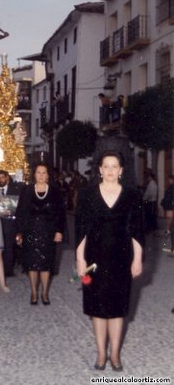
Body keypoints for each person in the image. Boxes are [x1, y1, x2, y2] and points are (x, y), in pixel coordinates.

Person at [75, 150, 144, 372]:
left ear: (121, 171)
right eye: (106, 166)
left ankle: (114, 353)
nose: (110, 170)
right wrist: (79, 258)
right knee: (97, 308)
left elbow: (137, 231)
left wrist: (138, 259)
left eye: (115, 166)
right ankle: (101, 352)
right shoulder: (87, 194)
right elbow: (80, 230)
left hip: (122, 259)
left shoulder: (133, 196)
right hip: (94, 259)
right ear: (100, 170)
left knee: (117, 308)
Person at [15, 164, 65, 305]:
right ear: (34, 174)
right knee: (32, 263)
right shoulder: (26, 190)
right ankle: (34, 292)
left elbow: (61, 214)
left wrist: (59, 231)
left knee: (45, 264)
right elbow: (20, 213)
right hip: (30, 232)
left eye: (44, 172)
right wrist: (19, 232)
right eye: (39, 172)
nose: (41, 175)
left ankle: (44, 293)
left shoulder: (55, 192)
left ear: (48, 175)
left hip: (48, 233)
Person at [0, 170, 23, 276]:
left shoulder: (15, 189)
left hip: (10, 223)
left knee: (9, 247)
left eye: (2, 177)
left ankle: (8, 270)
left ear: (7, 177)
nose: (0, 180)